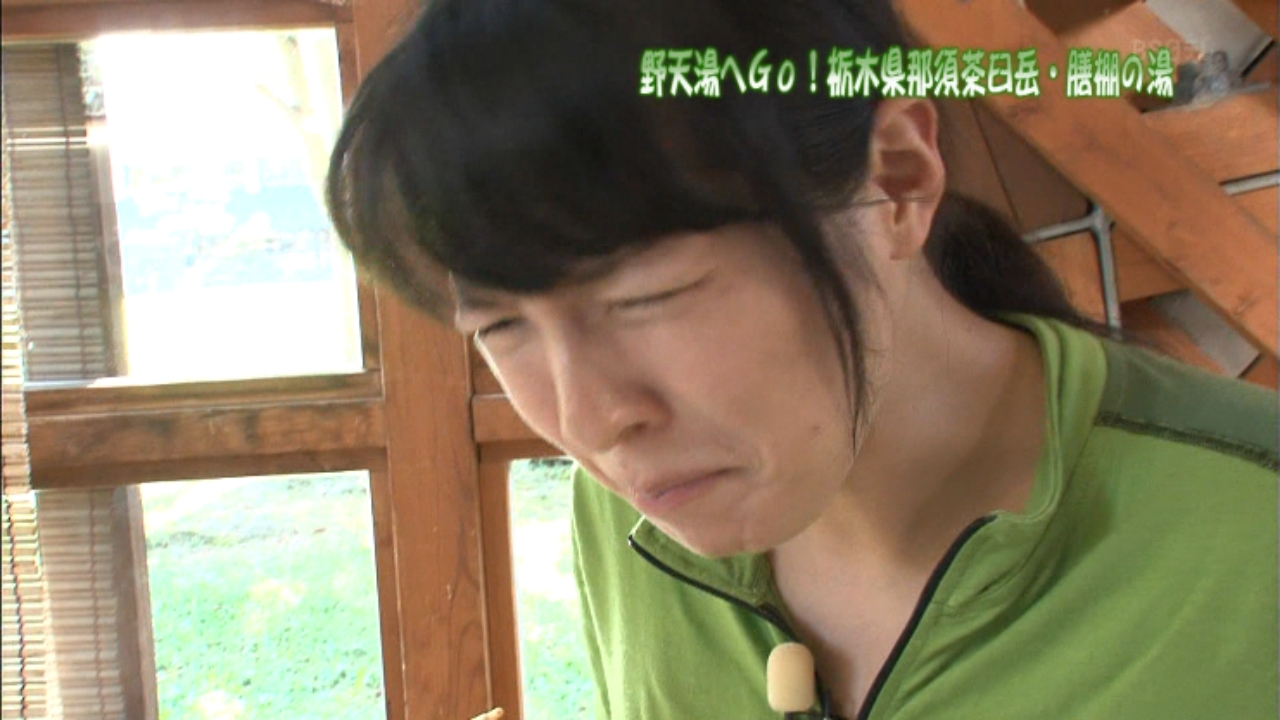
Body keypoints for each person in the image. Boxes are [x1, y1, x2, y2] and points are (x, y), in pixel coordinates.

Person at [325, 1, 1278, 718]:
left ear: (897, 180)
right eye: (501, 328)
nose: (591, 422)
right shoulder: (634, 518)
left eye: (647, 298)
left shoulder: (1251, 537)